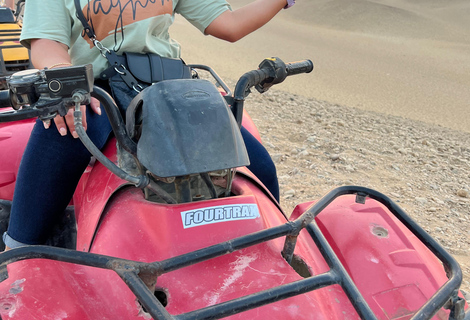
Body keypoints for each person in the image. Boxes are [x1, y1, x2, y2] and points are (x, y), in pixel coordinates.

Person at [3, 0, 296, 250]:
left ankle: (272, 248)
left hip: (168, 85)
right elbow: (47, 43)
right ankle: (18, 255)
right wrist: (65, 82)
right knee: (65, 130)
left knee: (258, 166)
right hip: (97, 89)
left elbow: (228, 24)